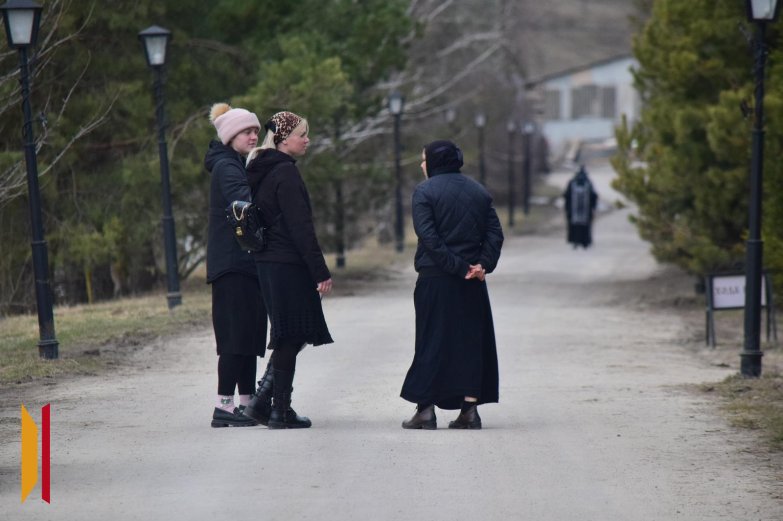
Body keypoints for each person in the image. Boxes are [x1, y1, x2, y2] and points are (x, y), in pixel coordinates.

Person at [400, 140, 503, 430]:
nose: (422, 165)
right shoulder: (478, 191)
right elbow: (495, 234)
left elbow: (429, 239)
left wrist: (459, 268)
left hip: (436, 279)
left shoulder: (424, 192)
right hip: (473, 282)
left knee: (432, 341)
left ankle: (425, 410)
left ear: (434, 162)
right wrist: (481, 266)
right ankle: (469, 410)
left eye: (424, 159)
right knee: (471, 342)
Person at [244, 110, 333, 429]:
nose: (307, 139)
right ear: (283, 139)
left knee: (290, 333)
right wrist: (320, 271)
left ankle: (266, 403)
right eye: (302, 134)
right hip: (287, 263)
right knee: (291, 333)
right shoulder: (285, 173)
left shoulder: (262, 169)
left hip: (268, 261)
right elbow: (300, 227)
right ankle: (276, 408)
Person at [204, 103, 268, 428]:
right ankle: (224, 406)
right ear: (231, 136)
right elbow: (244, 208)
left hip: (243, 262)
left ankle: (245, 403)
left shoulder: (237, 163)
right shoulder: (228, 168)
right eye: (247, 131)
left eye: (256, 130)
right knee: (234, 336)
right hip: (232, 263)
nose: (254, 135)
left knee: (248, 335)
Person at [563, 165, 598, 249]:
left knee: (576, 227)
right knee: (582, 226)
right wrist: (593, 207)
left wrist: (567, 208)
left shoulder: (573, 182)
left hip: (577, 211)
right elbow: (594, 196)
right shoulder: (587, 182)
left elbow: (566, 196)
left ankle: (578, 241)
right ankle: (583, 242)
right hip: (580, 211)